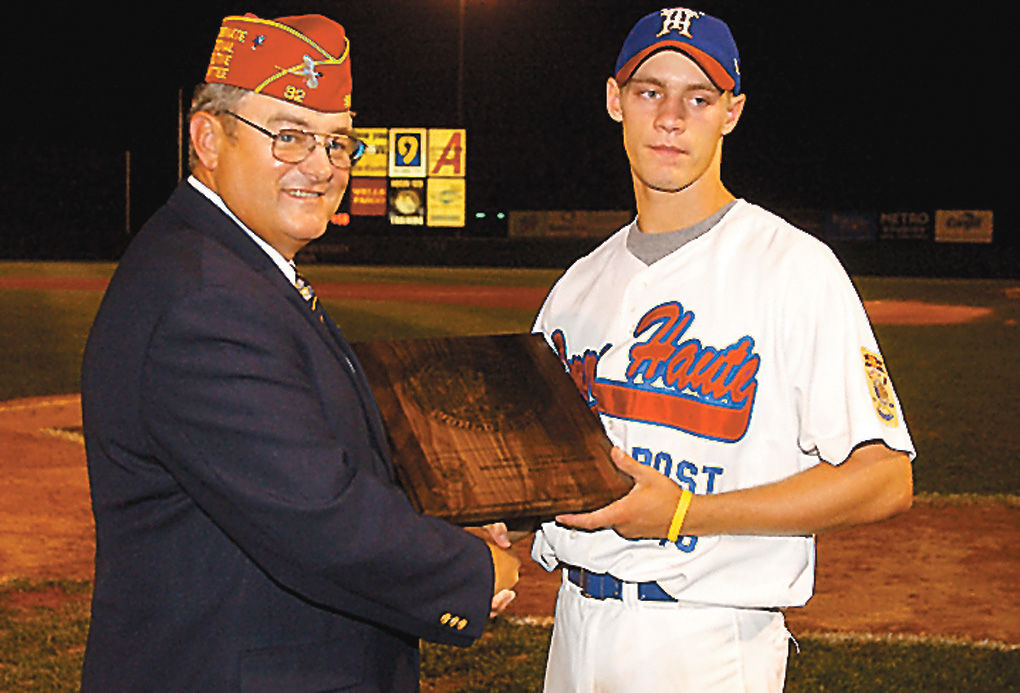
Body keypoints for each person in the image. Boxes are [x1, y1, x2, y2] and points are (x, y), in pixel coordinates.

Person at [80, 12, 518, 691]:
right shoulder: (206, 295)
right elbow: (320, 515)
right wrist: (470, 568)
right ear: (207, 138)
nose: (321, 165)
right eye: (289, 135)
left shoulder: (225, 266)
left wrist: (442, 511)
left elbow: (307, 461)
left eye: (338, 141)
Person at [530, 7, 915, 691]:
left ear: (731, 113)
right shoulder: (577, 286)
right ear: (615, 100)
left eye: (698, 97)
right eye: (651, 91)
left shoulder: (793, 266)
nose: (671, 117)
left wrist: (684, 512)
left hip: (704, 639)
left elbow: (884, 477)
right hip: (574, 624)